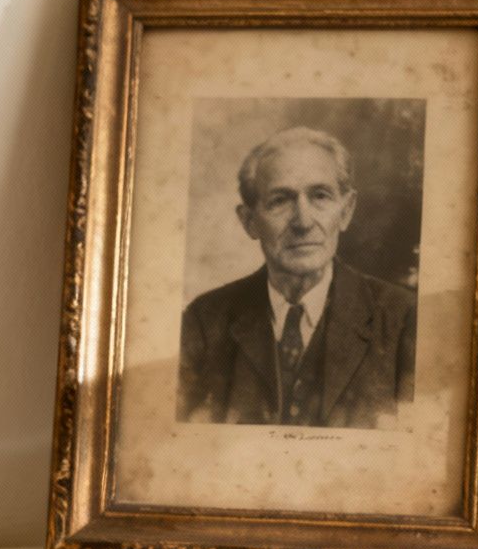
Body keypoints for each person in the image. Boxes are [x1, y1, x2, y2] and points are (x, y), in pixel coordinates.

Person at [178, 127, 415, 428]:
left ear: (346, 211)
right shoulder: (203, 322)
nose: (303, 222)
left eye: (320, 196)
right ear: (249, 221)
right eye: (280, 200)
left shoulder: (405, 318)